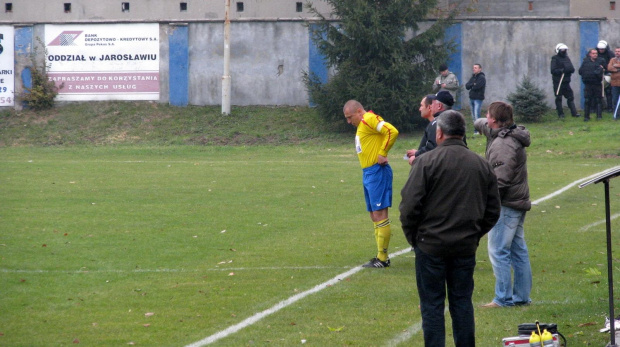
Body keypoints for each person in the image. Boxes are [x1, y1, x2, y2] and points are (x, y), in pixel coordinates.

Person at [400, 110, 501, 347]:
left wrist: (415, 238)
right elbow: (493, 210)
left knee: (432, 305)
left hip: (431, 245)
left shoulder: (426, 161)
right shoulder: (480, 164)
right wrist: (474, 234)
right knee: (462, 302)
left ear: (439, 133)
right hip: (463, 245)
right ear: (463, 133)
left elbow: (409, 206)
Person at [474, 101, 533, 308]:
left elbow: (501, 180)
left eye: (488, 115)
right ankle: (521, 297)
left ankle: (503, 298)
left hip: (506, 204)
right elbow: (481, 124)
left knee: (499, 250)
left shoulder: (503, 144)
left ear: (495, 120)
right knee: (518, 250)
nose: (485, 117)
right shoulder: (504, 133)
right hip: (516, 202)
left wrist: (488, 204)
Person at [343, 100, 399, 268]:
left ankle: (383, 258)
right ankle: (380, 256)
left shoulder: (368, 118)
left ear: (359, 111)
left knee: (380, 213)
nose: (348, 121)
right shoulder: (363, 124)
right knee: (374, 215)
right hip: (368, 173)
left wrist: (383, 152)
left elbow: (392, 130)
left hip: (377, 171)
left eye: (349, 117)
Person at [407, 91, 455, 165]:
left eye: (433, 103)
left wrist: (416, 155)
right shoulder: (456, 121)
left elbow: (433, 147)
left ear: (439, 106)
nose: (431, 106)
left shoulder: (437, 123)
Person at [550, 43, 580, 118]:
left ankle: (574, 113)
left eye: (565, 50)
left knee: (570, 97)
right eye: (562, 50)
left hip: (566, 82)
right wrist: (561, 70)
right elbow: (553, 70)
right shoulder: (554, 58)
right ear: (558, 50)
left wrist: (569, 70)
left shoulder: (567, 58)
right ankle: (561, 114)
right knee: (558, 97)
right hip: (558, 82)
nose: (564, 51)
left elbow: (571, 68)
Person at [405, 94, 435, 164]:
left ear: (429, 107)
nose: (420, 109)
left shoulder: (435, 126)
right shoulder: (431, 125)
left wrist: (417, 155)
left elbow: (433, 149)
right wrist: (417, 152)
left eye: (422, 105)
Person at [579, 48, 605, 121]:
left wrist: (600, 70)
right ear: (590, 54)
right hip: (588, 84)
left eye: (596, 53)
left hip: (597, 84)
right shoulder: (585, 62)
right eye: (593, 53)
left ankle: (599, 116)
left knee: (598, 100)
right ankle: (586, 117)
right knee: (587, 100)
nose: (595, 55)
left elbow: (601, 71)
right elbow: (580, 71)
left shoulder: (601, 61)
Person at [465, 63, 486, 130]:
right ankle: (476, 129)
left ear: (480, 69)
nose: (474, 69)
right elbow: (467, 86)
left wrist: (472, 85)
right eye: (473, 67)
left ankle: (479, 130)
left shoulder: (482, 78)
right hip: (471, 98)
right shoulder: (473, 77)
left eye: (476, 68)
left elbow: (477, 87)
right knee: (473, 115)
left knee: (477, 114)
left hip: (478, 98)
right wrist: (472, 84)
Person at [597, 40, 614, 111]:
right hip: (597, 75)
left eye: (602, 49)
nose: (601, 50)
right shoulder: (595, 53)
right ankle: (599, 107)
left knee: (608, 92)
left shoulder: (610, 54)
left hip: (607, 74)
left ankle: (609, 107)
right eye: (599, 49)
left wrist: (607, 69)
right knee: (598, 92)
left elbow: (612, 64)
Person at [607, 47, 620, 119]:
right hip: (614, 84)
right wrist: (617, 70)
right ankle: (616, 115)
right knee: (615, 99)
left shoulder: (614, 62)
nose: (617, 53)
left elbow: (613, 67)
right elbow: (609, 68)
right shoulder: (612, 60)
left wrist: (616, 66)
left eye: (619, 51)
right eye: (616, 51)